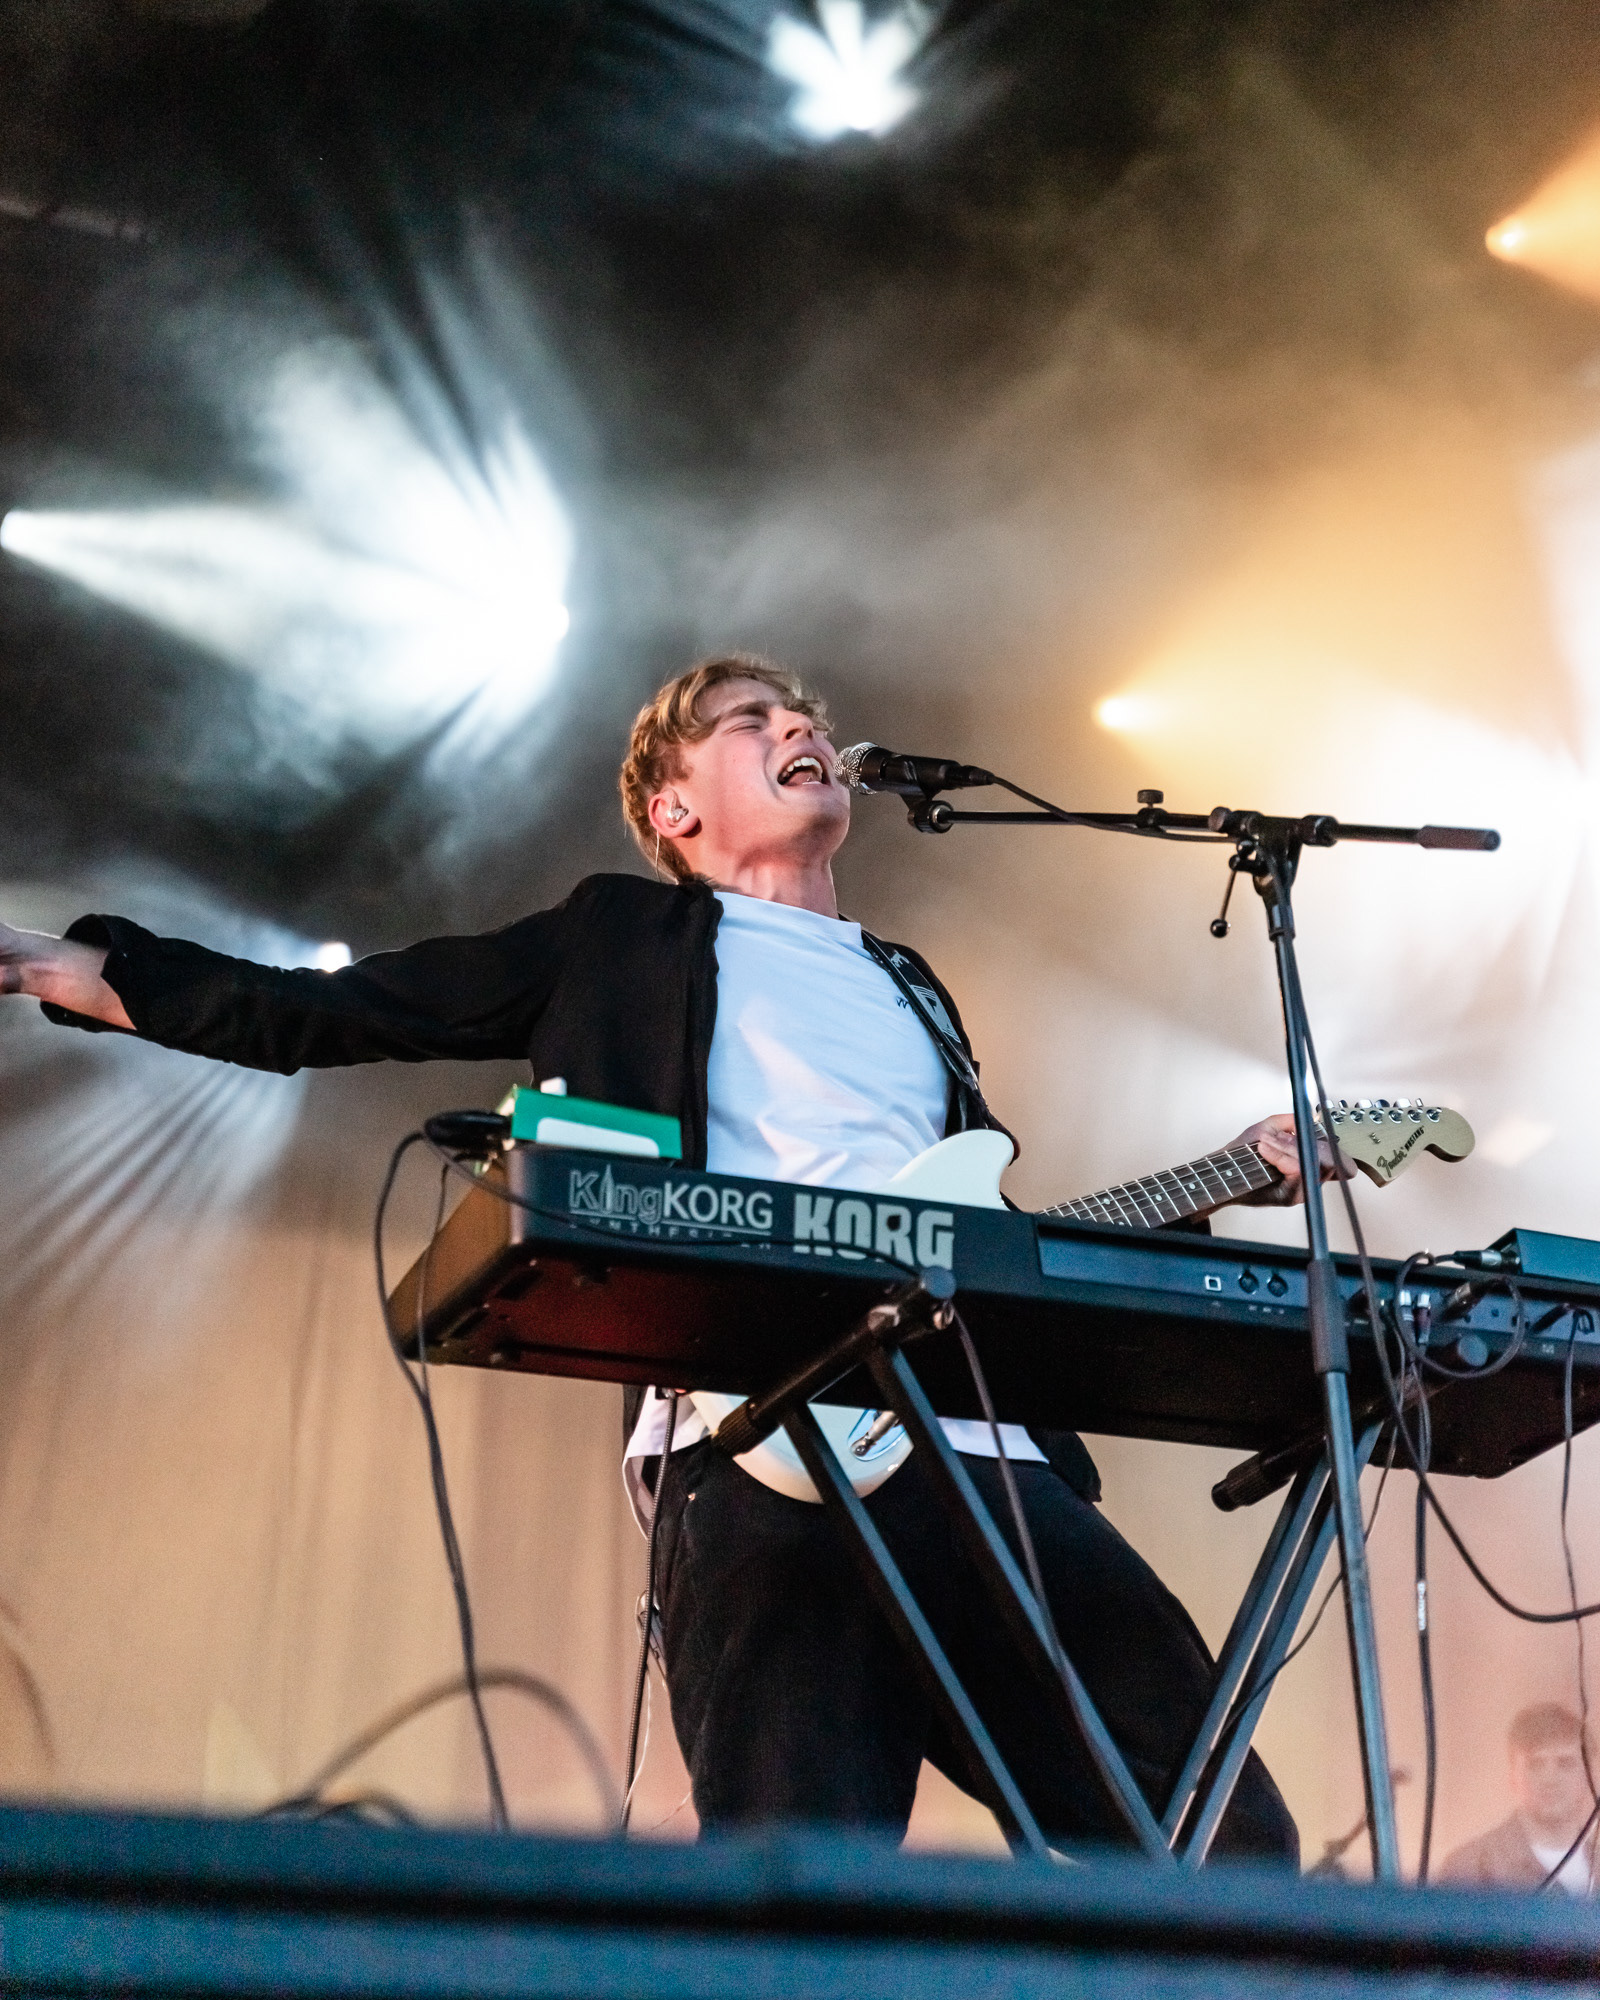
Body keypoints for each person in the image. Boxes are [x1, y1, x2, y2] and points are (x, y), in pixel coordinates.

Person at [0, 652, 1318, 1860]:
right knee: (799, 1887)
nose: (798, 726)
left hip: (983, 1451)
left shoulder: (912, 982)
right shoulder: (619, 936)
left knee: (1221, 1839)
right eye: (750, 721)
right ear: (672, 809)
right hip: (754, 1435)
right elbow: (333, 1010)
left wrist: (1223, 1177)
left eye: (802, 715)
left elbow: (976, 1239)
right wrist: (86, 972)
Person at [1439, 1703, 1597, 1894]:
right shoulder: (1470, 1869)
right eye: (1535, 1764)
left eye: (1566, 1763)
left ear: (1590, 1776)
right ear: (1513, 1776)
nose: (1550, 1779)